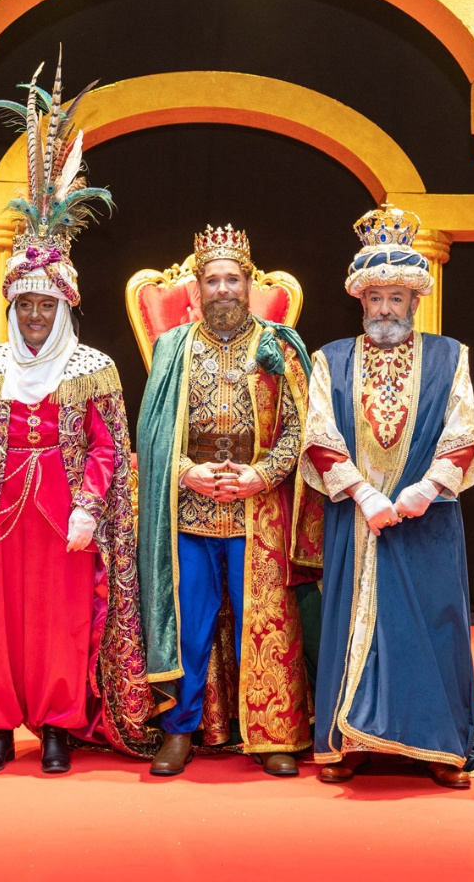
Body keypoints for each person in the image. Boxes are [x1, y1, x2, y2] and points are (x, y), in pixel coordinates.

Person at [0, 64, 156, 774]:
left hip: (66, 515)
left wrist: (92, 507)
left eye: (46, 306)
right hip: (1, 512)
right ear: (13, 307)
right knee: (0, 621)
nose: (35, 317)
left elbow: (108, 447)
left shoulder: (93, 366)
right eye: (25, 305)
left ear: (64, 308)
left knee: (60, 622)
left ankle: (59, 726)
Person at [301, 206, 474, 789]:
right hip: (356, 519)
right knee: (353, 622)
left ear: (415, 301)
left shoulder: (450, 356)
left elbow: (465, 433)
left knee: (433, 623)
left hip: (427, 518)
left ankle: (438, 744)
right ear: (361, 301)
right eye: (376, 297)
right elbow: (318, 436)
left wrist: (424, 490)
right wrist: (363, 494)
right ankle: (349, 739)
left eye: (397, 297)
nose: (386, 308)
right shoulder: (329, 358)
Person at [136, 224, 323, 777]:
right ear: (196, 289)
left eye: (232, 279)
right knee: (187, 624)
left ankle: (273, 732)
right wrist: (185, 472)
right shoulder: (172, 347)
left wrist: (262, 475)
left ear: (249, 284)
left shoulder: (279, 346)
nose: (222, 289)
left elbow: (301, 427)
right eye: (212, 280)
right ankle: (180, 728)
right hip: (189, 509)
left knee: (262, 622)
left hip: (257, 510)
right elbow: (151, 434)